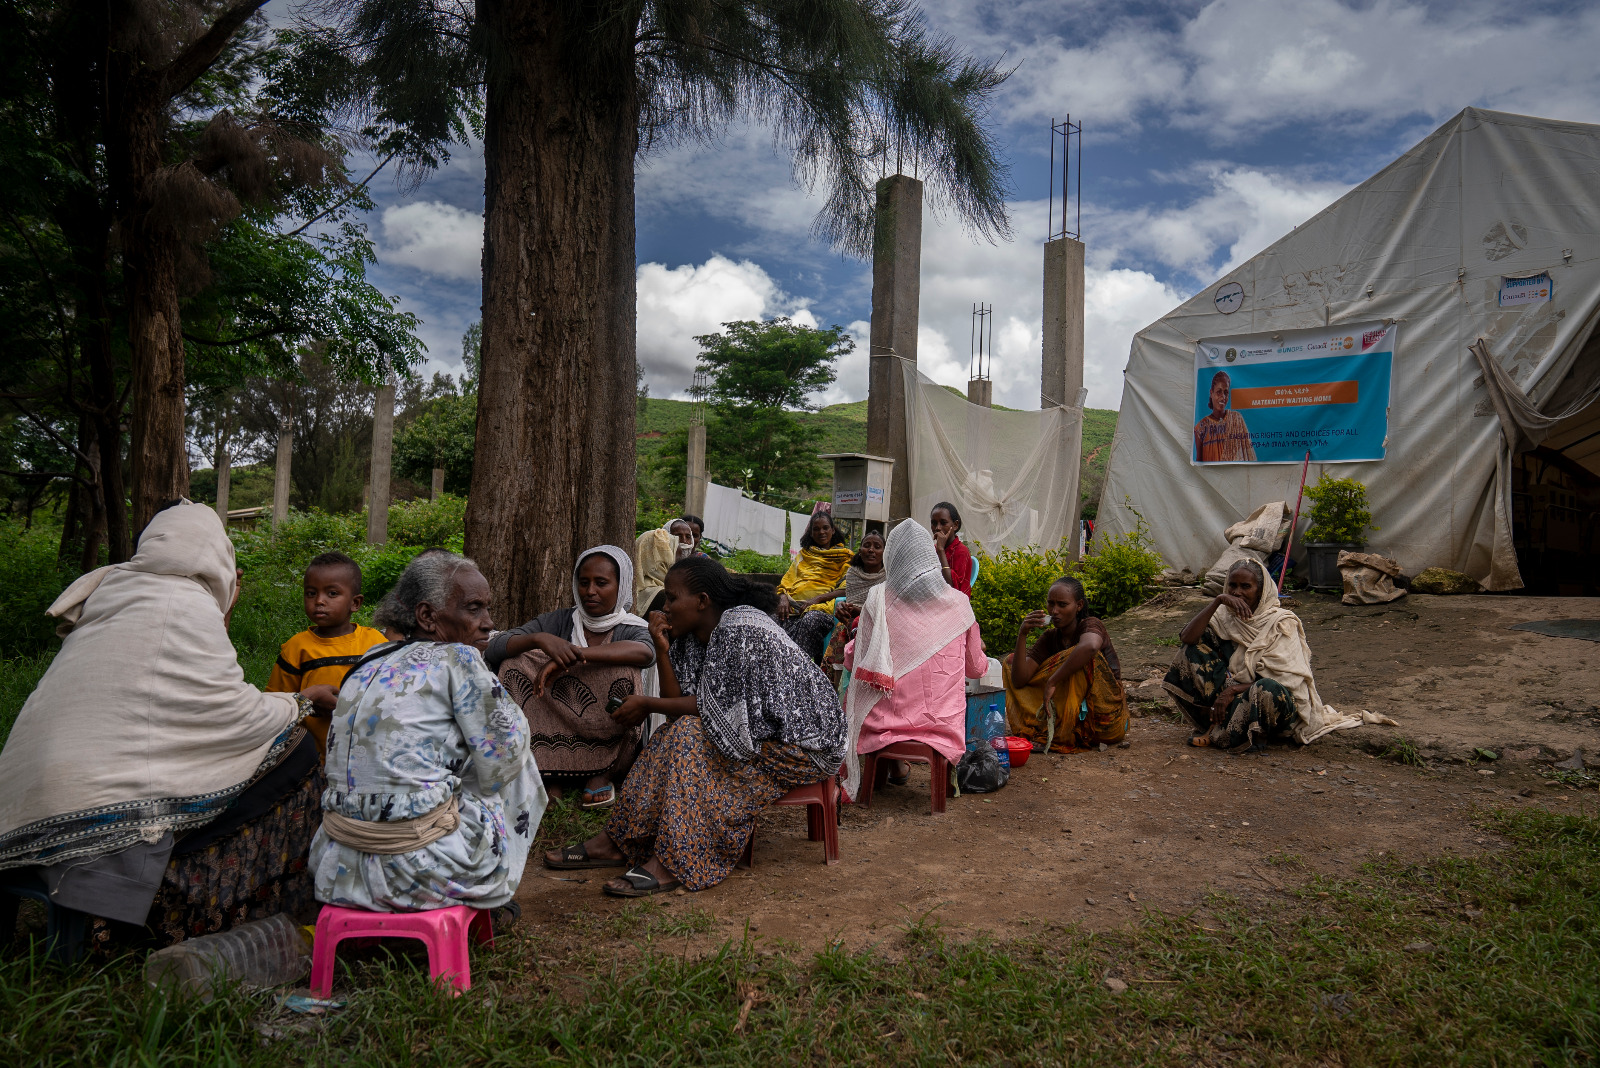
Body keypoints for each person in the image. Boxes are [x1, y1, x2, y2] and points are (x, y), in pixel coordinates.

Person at [0, 501, 338, 945]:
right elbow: (235, 715)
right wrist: (302, 700)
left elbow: (174, 700)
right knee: (297, 749)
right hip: (104, 811)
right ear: (216, 554)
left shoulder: (113, 591)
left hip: (24, 805)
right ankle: (183, 898)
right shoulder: (186, 602)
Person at [544, 557, 845, 897]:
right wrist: (661, 647)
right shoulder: (691, 635)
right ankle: (617, 840)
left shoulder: (740, 626)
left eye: (672, 598)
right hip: (759, 736)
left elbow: (715, 709)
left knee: (688, 734)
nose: (665, 607)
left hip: (806, 746)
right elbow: (678, 706)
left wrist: (647, 705)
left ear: (702, 601)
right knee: (675, 732)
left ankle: (674, 859)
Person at [309, 552, 545, 913]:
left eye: (487, 609)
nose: (488, 623)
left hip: (336, 867)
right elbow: (504, 760)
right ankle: (493, 887)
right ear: (427, 616)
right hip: (420, 871)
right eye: (474, 608)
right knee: (514, 752)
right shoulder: (459, 659)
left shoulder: (367, 661)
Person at [483, 546, 655, 808]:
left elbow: (646, 653)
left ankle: (603, 772)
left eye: (601, 583)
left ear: (621, 586)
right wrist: (540, 638)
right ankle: (548, 771)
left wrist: (573, 657)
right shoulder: (560, 621)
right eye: (583, 583)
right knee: (515, 662)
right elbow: (496, 647)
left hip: (606, 728)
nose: (590, 591)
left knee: (625, 669)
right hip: (557, 722)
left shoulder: (631, 628)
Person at [841, 521, 985, 794]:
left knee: (855, 689)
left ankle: (886, 767)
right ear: (930, 559)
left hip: (880, 725)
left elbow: (855, 662)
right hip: (942, 727)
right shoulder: (959, 605)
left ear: (891, 559)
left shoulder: (877, 600)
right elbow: (977, 668)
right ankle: (923, 773)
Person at [1165, 559, 1360, 750]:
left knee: (1266, 688)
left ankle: (1237, 731)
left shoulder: (1281, 623)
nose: (1237, 592)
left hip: (1268, 699)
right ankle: (1220, 724)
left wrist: (1231, 691)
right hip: (1231, 695)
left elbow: (1286, 681)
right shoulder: (1225, 616)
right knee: (1191, 652)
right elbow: (1188, 638)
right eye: (1232, 585)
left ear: (1260, 590)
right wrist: (1217, 601)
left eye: (1246, 586)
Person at [266, 551, 389, 753]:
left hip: (366, 752)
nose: (319, 601)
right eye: (311, 593)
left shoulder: (374, 642)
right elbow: (276, 703)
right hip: (312, 757)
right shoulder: (297, 648)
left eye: (332, 594)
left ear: (355, 603)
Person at [1003, 577, 1127, 753]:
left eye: (1062, 605)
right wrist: (1022, 634)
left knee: (1081, 657)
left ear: (1079, 606)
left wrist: (1052, 681)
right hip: (1074, 719)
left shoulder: (1091, 625)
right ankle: (1052, 729)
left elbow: (1090, 647)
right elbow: (1019, 680)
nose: (1054, 611)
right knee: (1011, 661)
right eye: (1050, 604)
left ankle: (1062, 734)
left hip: (1106, 719)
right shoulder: (1050, 638)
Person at [776, 509, 854, 662]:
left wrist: (817, 600)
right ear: (811, 533)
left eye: (825, 527)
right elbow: (786, 582)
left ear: (833, 530)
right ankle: (775, 663)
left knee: (810, 621)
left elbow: (845, 589)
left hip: (822, 609)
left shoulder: (845, 558)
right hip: (793, 607)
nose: (821, 532)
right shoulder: (804, 555)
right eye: (816, 529)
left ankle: (792, 665)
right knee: (772, 618)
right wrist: (783, 597)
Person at [821, 530, 886, 672]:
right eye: (867, 545)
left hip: (880, 624)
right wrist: (843, 608)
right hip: (852, 622)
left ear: (884, 552)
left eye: (877, 546)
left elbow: (886, 610)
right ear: (860, 551)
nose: (871, 550)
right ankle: (836, 684)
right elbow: (851, 602)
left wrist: (861, 611)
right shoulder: (852, 573)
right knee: (842, 631)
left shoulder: (889, 576)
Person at [1194, 370, 1256, 462]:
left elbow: (1248, 455)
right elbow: (1199, 462)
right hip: (1212, 476)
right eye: (1219, 392)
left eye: (1226, 392)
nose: (1223, 397)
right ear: (1211, 393)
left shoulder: (1236, 419)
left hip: (1235, 475)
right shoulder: (1200, 428)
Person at [635, 521, 694, 616]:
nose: (684, 542)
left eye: (688, 536)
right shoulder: (666, 596)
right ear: (662, 559)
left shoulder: (634, 587)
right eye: (673, 558)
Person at [930, 502, 974, 596]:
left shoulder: (962, 551)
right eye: (934, 523)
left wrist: (941, 550)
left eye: (943, 523)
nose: (937, 528)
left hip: (954, 606)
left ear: (955, 525)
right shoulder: (932, 550)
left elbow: (952, 588)